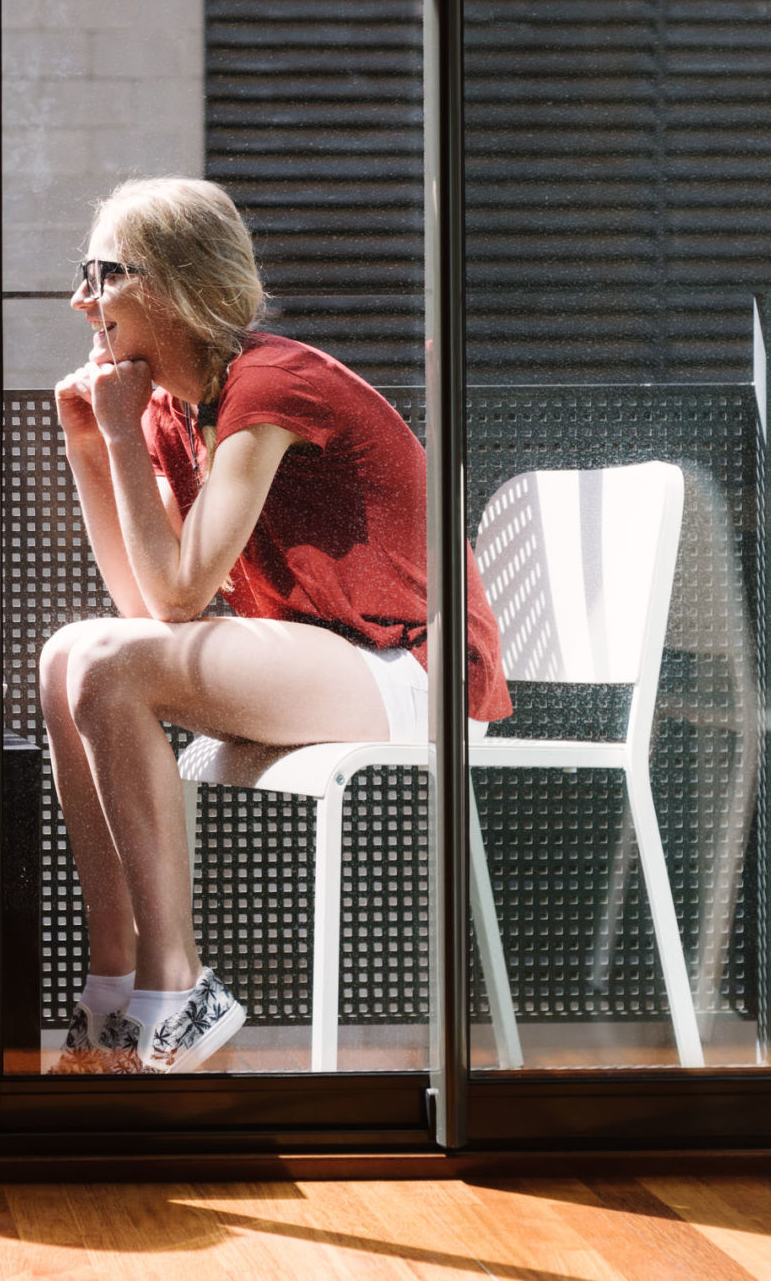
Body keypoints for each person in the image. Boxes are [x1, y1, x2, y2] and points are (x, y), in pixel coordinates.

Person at [41, 177, 510, 1074]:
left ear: (170, 282)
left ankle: (174, 990)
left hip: (412, 668)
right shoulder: (176, 408)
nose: (81, 300)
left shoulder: (269, 386)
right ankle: (114, 992)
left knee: (106, 663)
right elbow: (142, 606)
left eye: (99, 274)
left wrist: (121, 435)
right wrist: (91, 447)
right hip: (337, 659)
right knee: (70, 651)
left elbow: (175, 603)